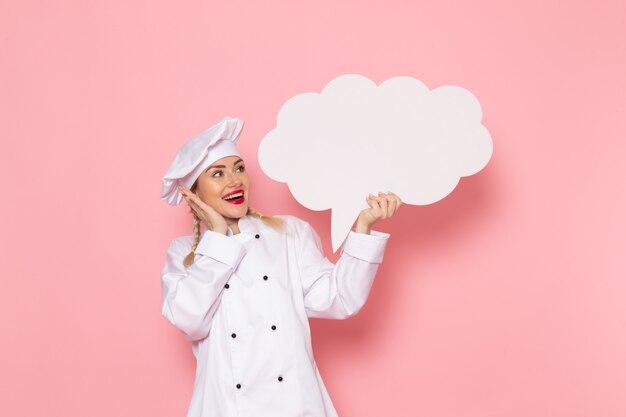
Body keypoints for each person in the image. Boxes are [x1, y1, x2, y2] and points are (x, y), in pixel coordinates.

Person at [160, 116, 402, 417]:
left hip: (295, 406)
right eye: (218, 174)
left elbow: (341, 299)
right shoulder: (186, 253)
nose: (235, 180)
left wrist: (363, 227)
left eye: (239, 168)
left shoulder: (289, 233)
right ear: (193, 195)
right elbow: (189, 320)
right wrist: (220, 237)